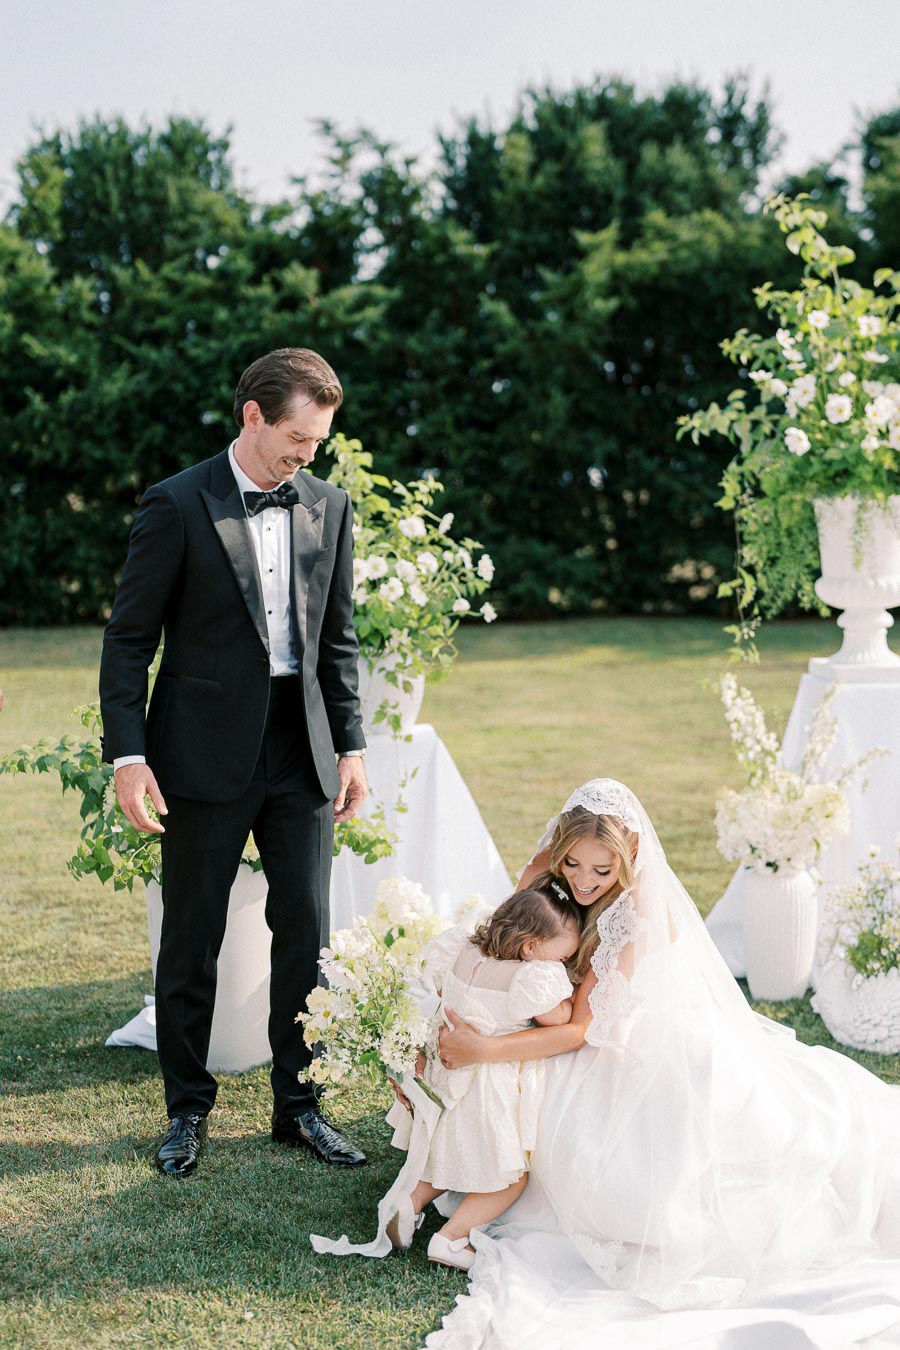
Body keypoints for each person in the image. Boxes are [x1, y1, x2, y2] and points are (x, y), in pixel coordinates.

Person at [429, 779, 900, 1349]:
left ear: (628, 857)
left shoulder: (635, 908)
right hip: (555, 1018)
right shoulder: (546, 870)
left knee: (678, 1113)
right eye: (573, 864)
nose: (582, 882)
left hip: (617, 1031)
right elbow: (500, 950)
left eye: (601, 872)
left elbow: (583, 1030)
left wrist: (484, 1050)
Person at [100, 348, 369, 1179]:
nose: (308, 456)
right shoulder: (178, 503)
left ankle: (300, 1106)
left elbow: (338, 637)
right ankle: (186, 1109)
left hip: (303, 750)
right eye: (298, 437)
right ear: (253, 416)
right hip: (202, 754)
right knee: (192, 937)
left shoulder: (330, 504)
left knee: (308, 934)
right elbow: (130, 639)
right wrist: (129, 757)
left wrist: (352, 745)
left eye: (318, 442)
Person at [385, 885, 580, 1269]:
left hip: (446, 1073)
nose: (564, 964)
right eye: (563, 956)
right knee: (509, 1178)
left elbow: (442, 993)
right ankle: (451, 1240)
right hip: (489, 1088)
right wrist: (568, 994)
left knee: (448, 1156)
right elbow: (559, 1020)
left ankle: (408, 1205)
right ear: (531, 947)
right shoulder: (529, 977)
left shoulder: (462, 949)